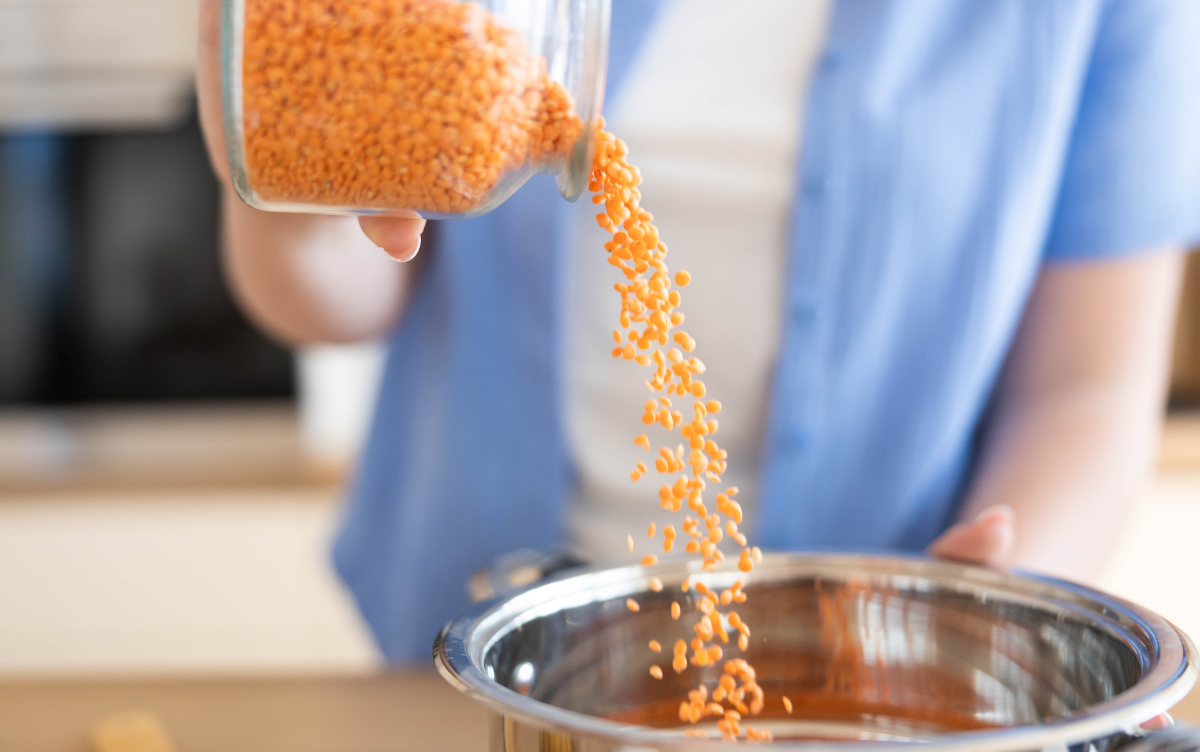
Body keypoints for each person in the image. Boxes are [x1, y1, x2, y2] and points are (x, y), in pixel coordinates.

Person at [197, 0, 1200, 661]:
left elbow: (1088, 382)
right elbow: (332, 299)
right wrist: (286, 126)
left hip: (873, 687)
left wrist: (990, 609)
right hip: (472, 660)